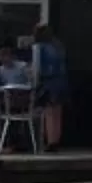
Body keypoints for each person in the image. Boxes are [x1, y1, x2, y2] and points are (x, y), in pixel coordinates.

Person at [28, 19, 69, 150]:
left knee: (49, 112)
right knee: (58, 112)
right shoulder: (58, 45)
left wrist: (34, 80)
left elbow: (36, 68)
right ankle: (56, 139)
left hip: (48, 81)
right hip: (62, 80)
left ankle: (50, 141)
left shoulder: (38, 47)